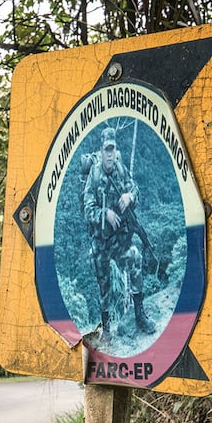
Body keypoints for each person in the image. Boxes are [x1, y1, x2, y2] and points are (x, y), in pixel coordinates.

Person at [83, 127, 159, 333]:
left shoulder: (121, 169)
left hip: (118, 241)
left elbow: (135, 189)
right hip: (100, 243)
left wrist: (129, 197)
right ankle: (106, 329)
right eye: (106, 149)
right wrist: (105, 213)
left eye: (112, 149)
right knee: (104, 286)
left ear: (116, 150)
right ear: (101, 151)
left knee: (135, 257)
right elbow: (87, 209)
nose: (109, 154)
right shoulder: (94, 175)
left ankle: (139, 314)